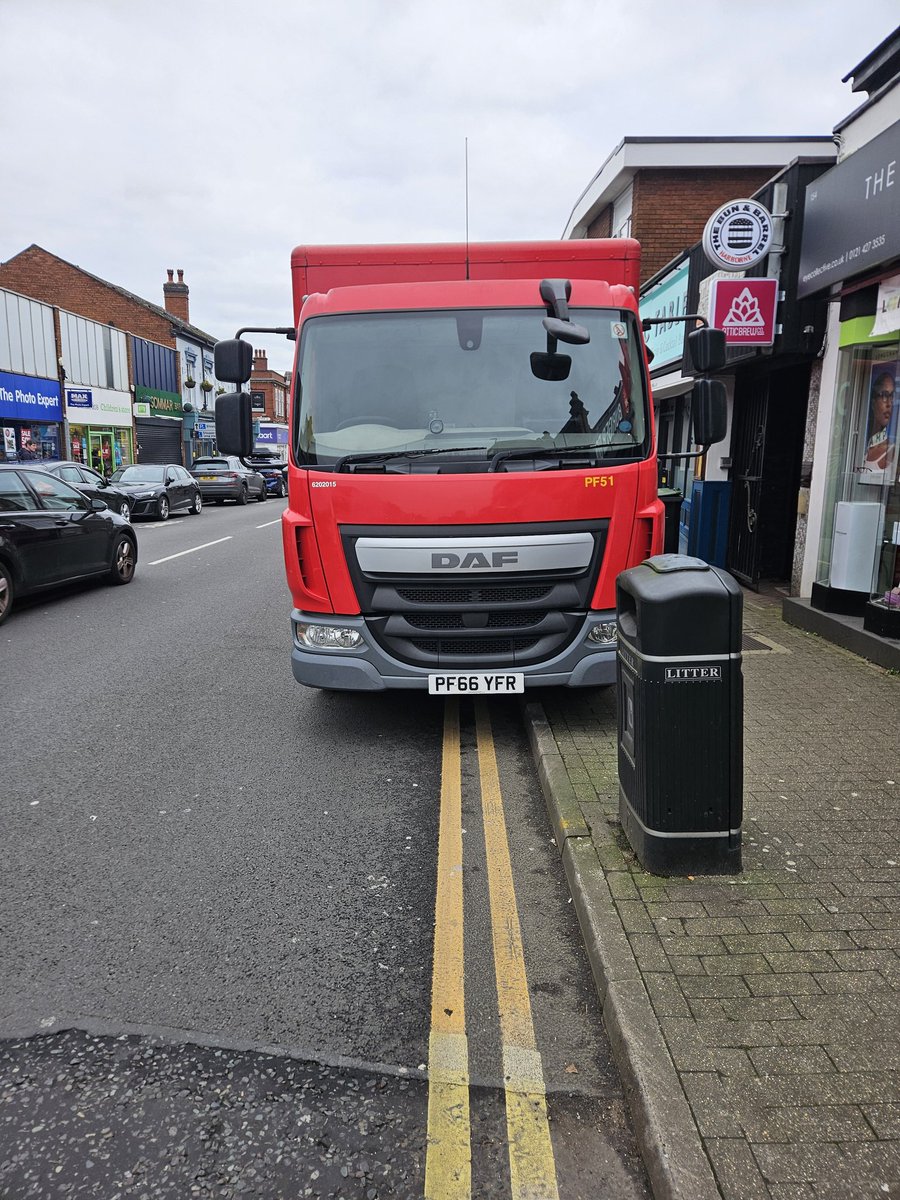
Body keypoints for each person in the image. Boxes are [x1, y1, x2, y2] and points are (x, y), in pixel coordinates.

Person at [864, 370, 896, 473]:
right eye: (884, 395)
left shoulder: (893, 451)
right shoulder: (860, 446)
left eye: (891, 396)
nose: (889, 404)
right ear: (873, 403)